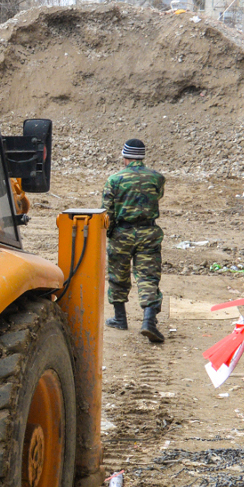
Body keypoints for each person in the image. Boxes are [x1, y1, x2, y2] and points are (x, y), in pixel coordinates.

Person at [102, 138, 165, 343]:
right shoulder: (157, 178)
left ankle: (120, 319)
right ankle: (149, 321)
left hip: (122, 233)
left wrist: (111, 233)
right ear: (142, 156)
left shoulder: (114, 179)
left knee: (118, 275)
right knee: (148, 276)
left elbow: (107, 212)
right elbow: (157, 197)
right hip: (148, 232)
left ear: (125, 157)